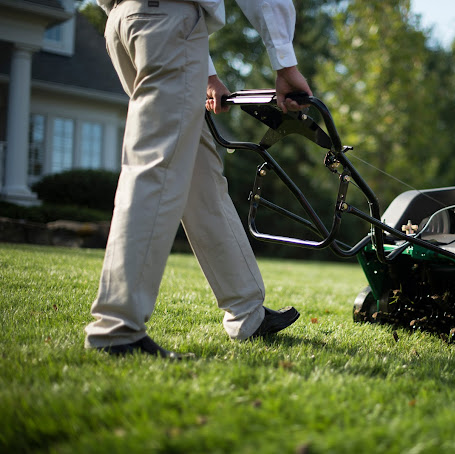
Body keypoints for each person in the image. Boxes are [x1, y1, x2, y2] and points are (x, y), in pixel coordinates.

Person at [85, 0, 312, 358]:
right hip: (169, 23)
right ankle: (118, 327)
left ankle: (246, 312)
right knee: (155, 168)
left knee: (198, 174)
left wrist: (206, 73)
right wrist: (285, 63)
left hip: (125, 23)